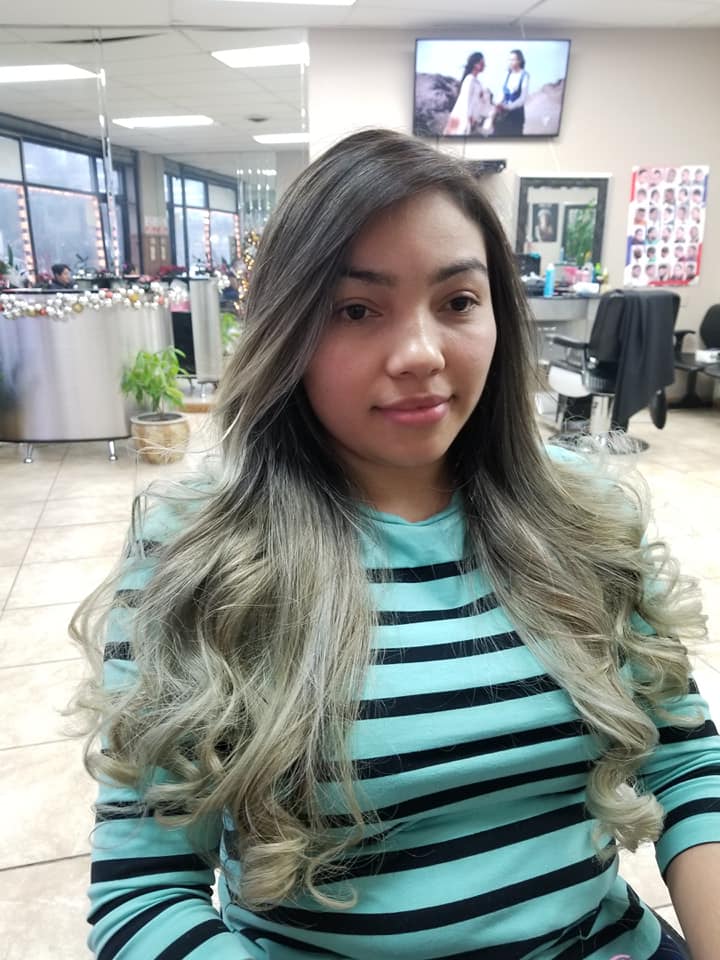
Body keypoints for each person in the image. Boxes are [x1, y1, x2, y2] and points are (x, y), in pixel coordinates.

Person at [73, 129, 720, 960]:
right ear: (288, 330)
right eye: (356, 310)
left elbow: (688, 765)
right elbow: (144, 895)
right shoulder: (198, 550)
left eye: (456, 302)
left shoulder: (581, 512)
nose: (420, 354)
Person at [443, 52, 493, 136]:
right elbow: (465, 99)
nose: (484, 65)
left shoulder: (477, 82)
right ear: (475, 64)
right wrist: (468, 116)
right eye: (481, 62)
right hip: (463, 116)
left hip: (469, 117)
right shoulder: (469, 79)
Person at [488, 48, 529, 136]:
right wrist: (498, 104)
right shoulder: (508, 74)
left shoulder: (524, 75)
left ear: (519, 61)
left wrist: (508, 107)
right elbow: (503, 92)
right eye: (509, 60)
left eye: (513, 59)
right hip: (503, 115)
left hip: (516, 115)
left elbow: (523, 98)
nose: (511, 62)